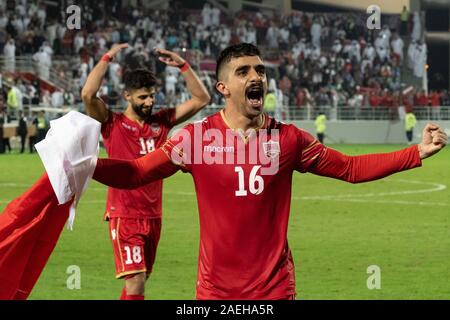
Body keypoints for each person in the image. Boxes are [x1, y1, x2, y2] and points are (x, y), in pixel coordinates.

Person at [92, 43, 447, 300]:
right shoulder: (197, 139)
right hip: (214, 292)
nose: (256, 76)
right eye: (243, 71)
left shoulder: (289, 139)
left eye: (260, 70)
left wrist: (415, 152)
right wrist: (86, 166)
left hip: (274, 289)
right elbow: (137, 173)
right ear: (224, 87)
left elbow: (351, 168)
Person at [81, 43, 210, 300]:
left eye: (152, 95)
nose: (149, 101)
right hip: (125, 215)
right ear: (127, 96)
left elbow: (202, 99)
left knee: (137, 281)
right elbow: (88, 94)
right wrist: (106, 57)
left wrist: (182, 65)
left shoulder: (161, 122)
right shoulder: (112, 123)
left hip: (153, 216)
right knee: (136, 282)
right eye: (143, 97)